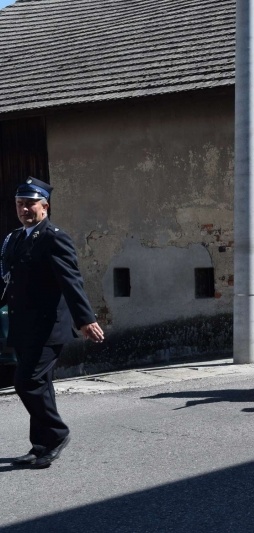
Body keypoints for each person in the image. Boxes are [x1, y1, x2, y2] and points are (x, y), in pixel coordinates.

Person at [1, 177, 104, 469]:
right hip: (23, 326)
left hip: (48, 327)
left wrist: (85, 319)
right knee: (41, 386)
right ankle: (40, 445)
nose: (24, 209)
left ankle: (57, 434)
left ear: (45, 207)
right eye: (20, 204)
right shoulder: (16, 238)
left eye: (30, 204)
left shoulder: (54, 237)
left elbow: (71, 281)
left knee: (26, 382)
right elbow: (9, 282)